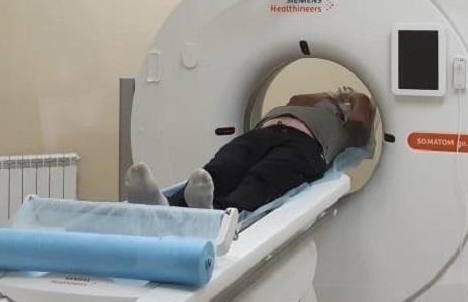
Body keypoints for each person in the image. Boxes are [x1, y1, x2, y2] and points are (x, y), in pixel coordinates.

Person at [125, 86, 374, 212]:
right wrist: (333, 95)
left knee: (262, 179)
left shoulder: (345, 128)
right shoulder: (298, 106)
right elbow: (298, 98)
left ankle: (215, 213)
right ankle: (163, 205)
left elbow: (362, 120)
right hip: (261, 134)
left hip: (304, 146)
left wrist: (354, 96)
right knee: (222, 168)